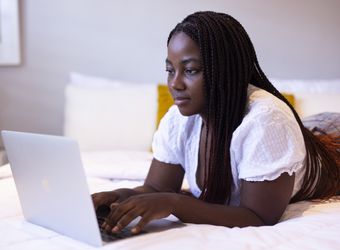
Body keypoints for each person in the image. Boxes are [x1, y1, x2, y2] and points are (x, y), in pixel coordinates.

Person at [92, 11, 340, 234]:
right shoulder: (178, 120)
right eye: (170, 70)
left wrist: (173, 202)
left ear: (224, 70)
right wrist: (116, 197)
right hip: (311, 133)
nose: (175, 84)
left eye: (190, 70)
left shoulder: (267, 119)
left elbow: (259, 216)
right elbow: (156, 187)